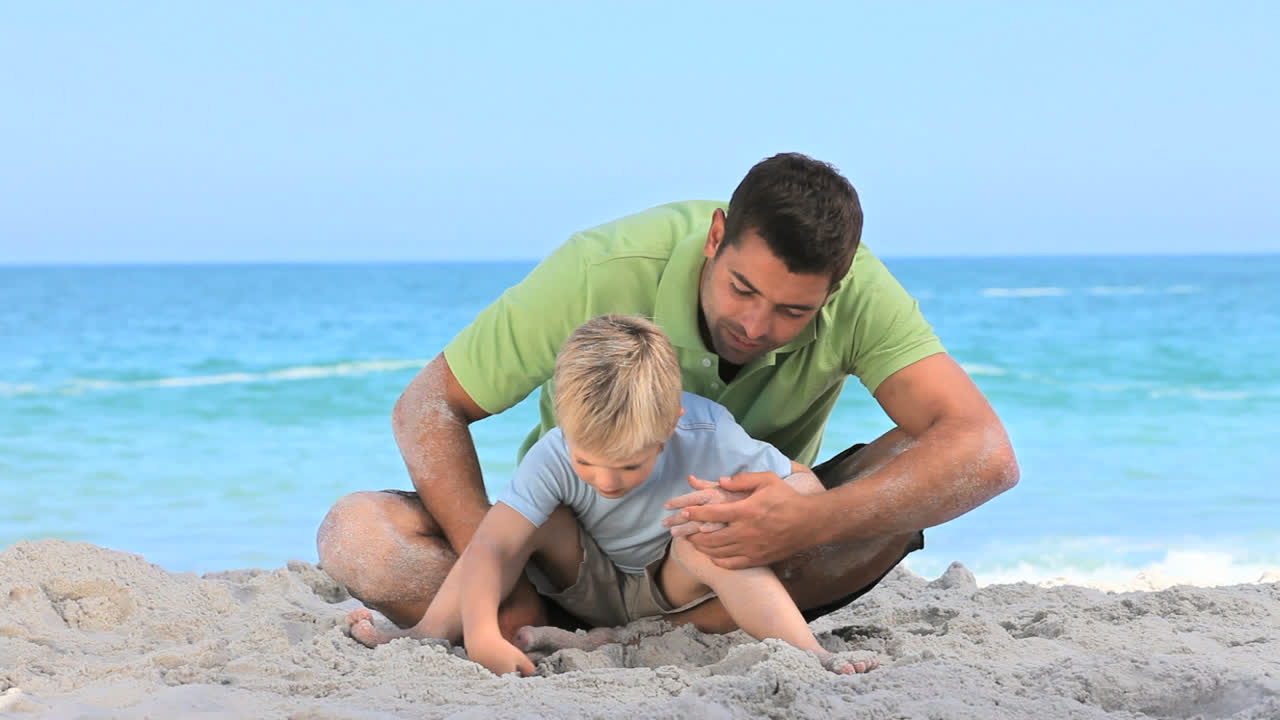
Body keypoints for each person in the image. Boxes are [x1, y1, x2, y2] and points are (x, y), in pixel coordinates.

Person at [317, 152, 1019, 649]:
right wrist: (498, 577)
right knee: (360, 537)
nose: (755, 324)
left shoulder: (859, 293)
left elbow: (985, 453)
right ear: (716, 237)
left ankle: (658, 639)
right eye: (742, 289)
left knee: (922, 466)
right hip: (565, 552)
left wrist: (806, 522)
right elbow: (427, 407)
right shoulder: (600, 268)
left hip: (733, 563)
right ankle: (533, 617)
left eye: (791, 312)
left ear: (832, 293)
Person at [345, 315, 875, 676]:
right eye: (587, 461)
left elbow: (802, 485)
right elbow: (494, 548)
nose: (606, 481)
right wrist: (481, 634)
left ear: (673, 423)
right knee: (532, 519)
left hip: (673, 581)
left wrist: (752, 503)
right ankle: (427, 635)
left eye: (628, 463)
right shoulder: (555, 452)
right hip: (582, 580)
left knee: (707, 528)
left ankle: (811, 657)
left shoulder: (711, 434)